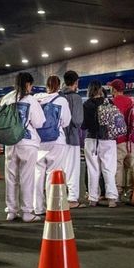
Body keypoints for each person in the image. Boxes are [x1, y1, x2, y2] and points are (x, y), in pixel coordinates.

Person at [0, 72, 45, 222]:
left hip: (10, 142)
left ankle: (11, 211)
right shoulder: (31, 100)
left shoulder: (7, 98)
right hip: (27, 142)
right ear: (28, 84)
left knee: (11, 177)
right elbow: (39, 123)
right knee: (27, 177)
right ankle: (27, 212)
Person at [33, 75, 72, 215]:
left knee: (38, 174)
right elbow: (66, 121)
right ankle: (52, 206)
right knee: (52, 173)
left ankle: (37, 207)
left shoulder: (37, 99)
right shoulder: (61, 100)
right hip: (57, 141)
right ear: (59, 85)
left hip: (38, 141)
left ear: (46, 85)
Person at [82, 81, 119, 207]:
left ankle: (93, 198)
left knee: (93, 170)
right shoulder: (109, 102)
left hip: (91, 139)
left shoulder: (86, 104)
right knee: (108, 169)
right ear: (101, 90)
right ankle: (112, 198)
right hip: (108, 139)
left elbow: (83, 125)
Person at [107, 79, 134, 200]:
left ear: (114, 89)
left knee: (118, 166)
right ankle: (131, 191)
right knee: (131, 166)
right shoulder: (131, 101)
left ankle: (117, 192)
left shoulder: (112, 102)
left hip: (118, 140)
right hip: (131, 139)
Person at [61, 71, 84, 208]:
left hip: (59, 138)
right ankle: (72, 198)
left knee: (61, 168)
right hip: (72, 137)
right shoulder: (76, 98)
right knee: (73, 169)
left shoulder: (59, 96)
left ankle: (59, 195)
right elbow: (77, 120)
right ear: (76, 82)